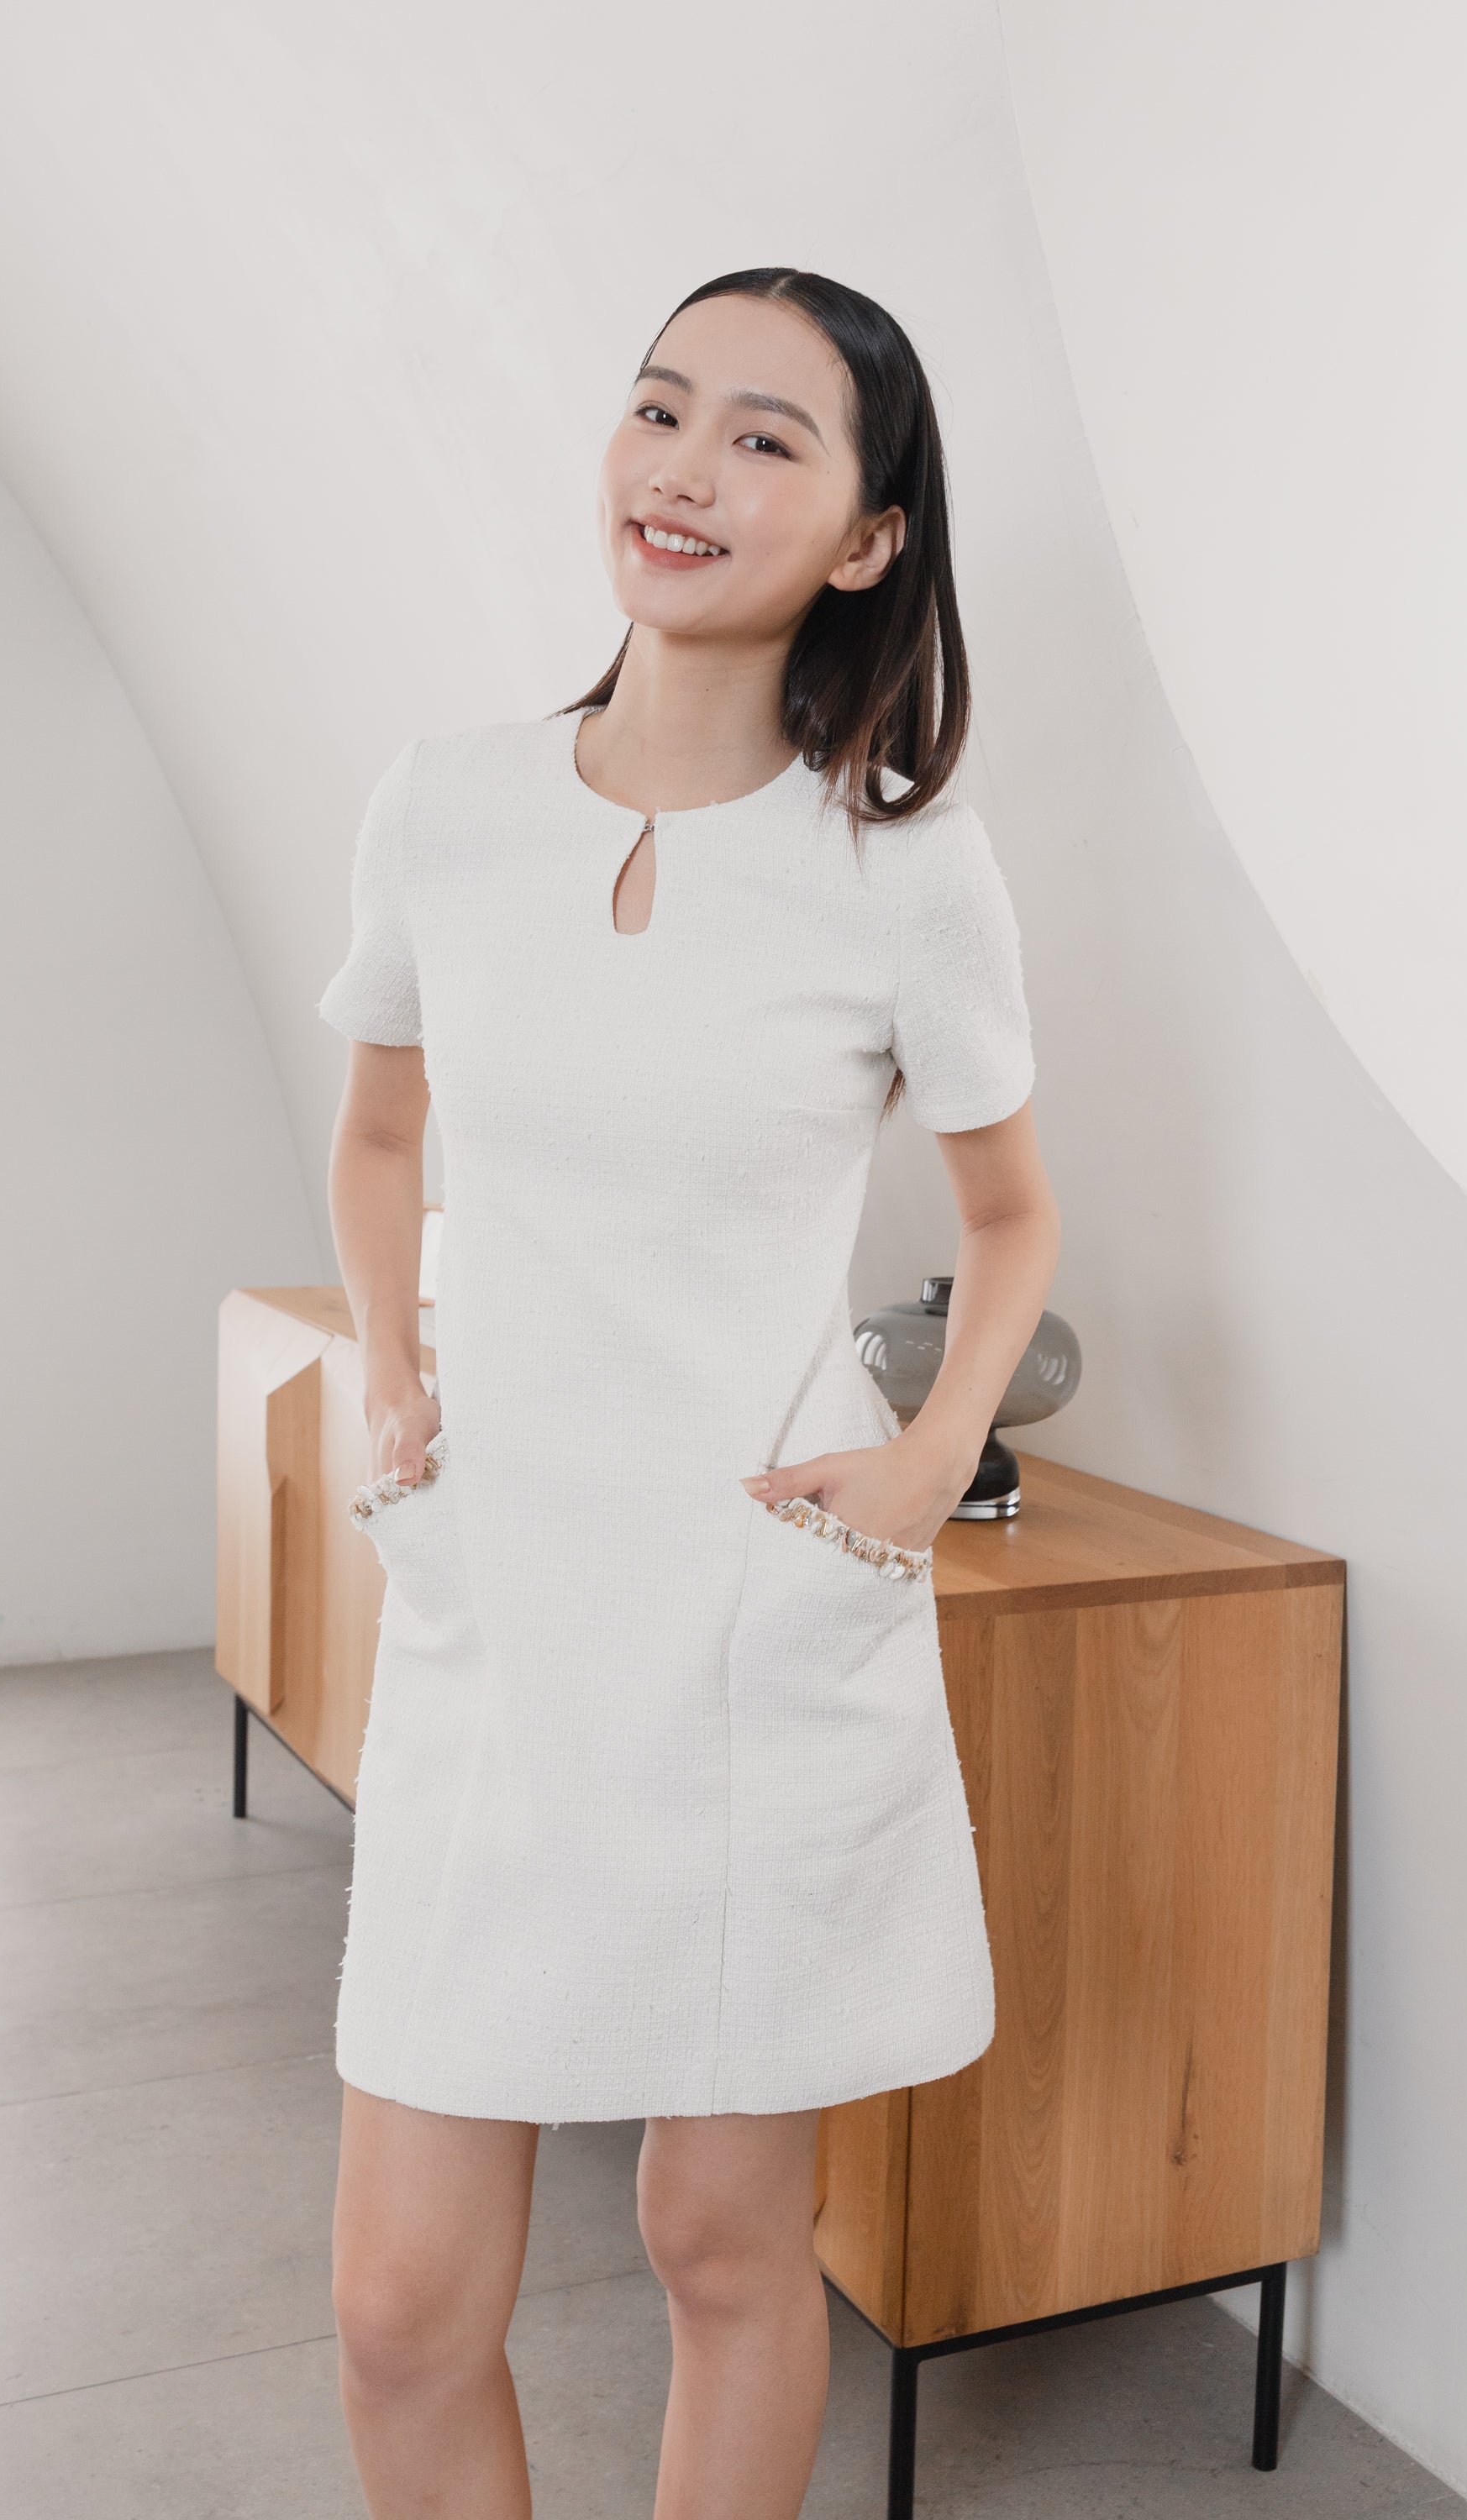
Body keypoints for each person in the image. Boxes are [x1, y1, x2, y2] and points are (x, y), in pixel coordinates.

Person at [318, 265, 1060, 2520]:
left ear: (868, 536)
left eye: (765, 438)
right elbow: (378, 1132)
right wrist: (393, 1371)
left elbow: (1012, 1217)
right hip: (500, 1622)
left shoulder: (904, 866)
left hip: (747, 1623)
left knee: (724, 2246)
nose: (686, 468)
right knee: (397, 2306)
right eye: (661, 409)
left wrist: (928, 1462)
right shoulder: (445, 806)